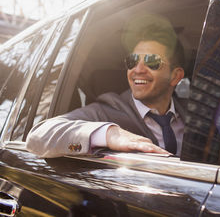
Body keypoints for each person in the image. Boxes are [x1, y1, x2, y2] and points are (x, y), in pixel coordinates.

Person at [26, 14, 186, 158]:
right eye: (133, 60)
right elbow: (37, 139)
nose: (137, 69)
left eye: (152, 61)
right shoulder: (104, 112)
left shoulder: (195, 116)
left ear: (175, 76)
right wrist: (110, 135)